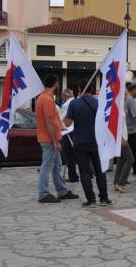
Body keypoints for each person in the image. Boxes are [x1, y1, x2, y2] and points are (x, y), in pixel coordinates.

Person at [65, 80, 112, 207]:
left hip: (80, 141)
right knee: (99, 170)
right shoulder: (98, 103)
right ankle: (104, 198)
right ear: (92, 90)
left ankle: (91, 200)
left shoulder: (74, 103)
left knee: (84, 171)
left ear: (80, 89)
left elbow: (67, 123)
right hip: (97, 141)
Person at [36, 75, 79, 203]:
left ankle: (62, 191)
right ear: (56, 83)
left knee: (56, 166)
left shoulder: (43, 98)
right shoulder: (47, 100)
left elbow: (52, 121)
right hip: (50, 139)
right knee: (47, 166)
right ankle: (43, 193)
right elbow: (49, 122)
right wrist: (55, 141)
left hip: (49, 137)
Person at [58, 88, 78, 182]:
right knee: (74, 154)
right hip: (75, 131)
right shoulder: (76, 102)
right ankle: (88, 172)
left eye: (62, 96)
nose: (62, 98)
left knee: (69, 155)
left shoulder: (66, 104)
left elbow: (60, 118)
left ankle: (73, 176)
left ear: (65, 96)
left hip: (68, 131)